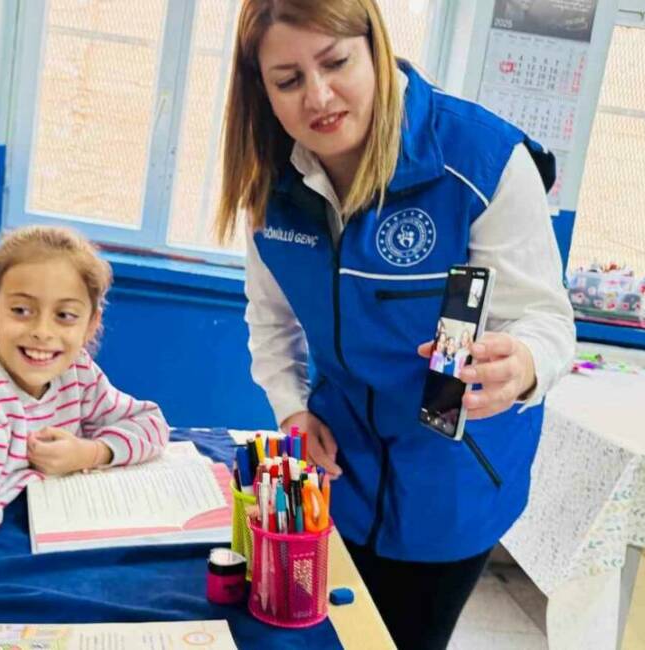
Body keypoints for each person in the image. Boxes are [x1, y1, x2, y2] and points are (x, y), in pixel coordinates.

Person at [214, 1, 575, 647]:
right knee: (326, 632)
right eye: (288, 80)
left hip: (455, 478)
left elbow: (544, 316)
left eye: (336, 62)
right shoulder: (268, 182)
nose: (318, 97)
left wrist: (521, 363)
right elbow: (271, 322)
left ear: (375, 47)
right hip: (338, 470)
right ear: (260, 89)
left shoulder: (483, 157)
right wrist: (293, 409)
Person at [0, 225, 170, 584]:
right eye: (22, 310)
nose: (42, 331)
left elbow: (149, 422)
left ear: (90, 324)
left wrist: (90, 453)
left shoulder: (76, 370)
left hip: (32, 549)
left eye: (65, 315)